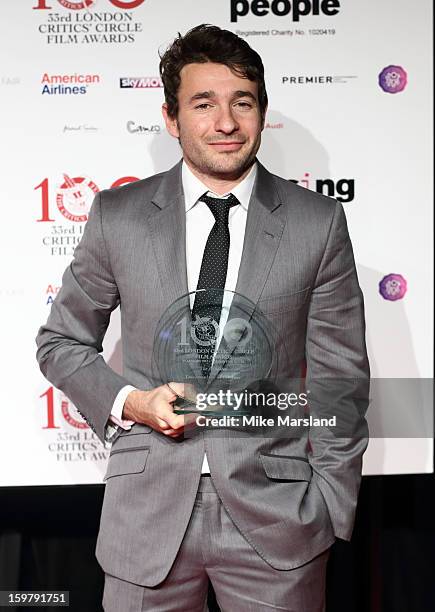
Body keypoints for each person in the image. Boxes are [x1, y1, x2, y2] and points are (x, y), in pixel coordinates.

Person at [36, 24, 370, 612]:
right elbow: (61, 342)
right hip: (145, 517)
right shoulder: (119, 216)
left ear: (262, 113)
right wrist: (132, 403)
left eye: (242, 102)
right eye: (203, 103)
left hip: (279, 522)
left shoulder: (317, 224)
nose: (225, 122)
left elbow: (340, 381)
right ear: (171, 117)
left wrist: (330, 508)